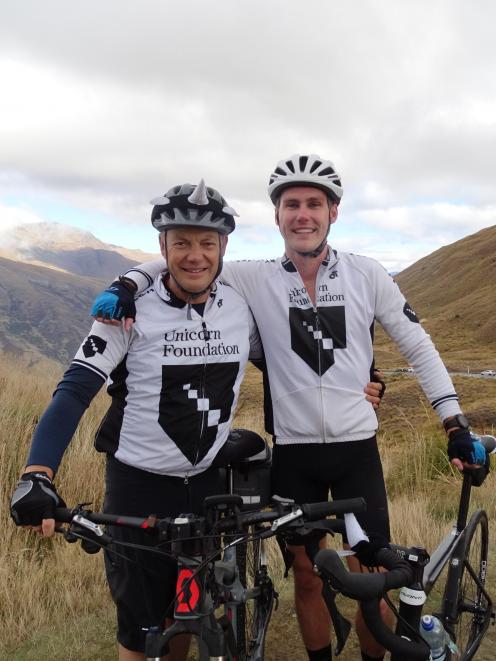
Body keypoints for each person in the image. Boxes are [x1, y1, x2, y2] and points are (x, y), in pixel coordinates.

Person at [83, 154, 487, 661]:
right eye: (291, 204)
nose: (303, 214)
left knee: (370, 576)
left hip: (356, 451)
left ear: (333, 212)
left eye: (314, 204)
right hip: (294, 455)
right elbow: (186, 258)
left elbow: (419, 346)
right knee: (307, 574)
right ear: (276, 216)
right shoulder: (254, 279)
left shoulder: (367, 274)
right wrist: (128, 283)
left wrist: (454, 421)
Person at [10, 180, 264, 661]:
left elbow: (285, 368)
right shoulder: (127, 313)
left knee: (187, 617)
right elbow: (75, 389)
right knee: (140, 633)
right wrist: (37, 473)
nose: (195, 255)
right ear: (162, 245)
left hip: (207, 484)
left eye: (207, 243)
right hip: (138, 487)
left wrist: (364, 382)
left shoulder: (240, 309)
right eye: (181, 242)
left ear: (224, 247)